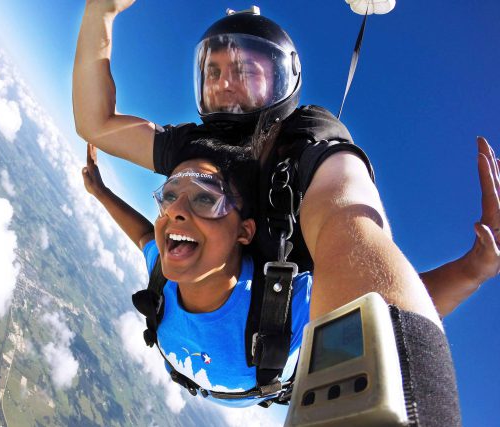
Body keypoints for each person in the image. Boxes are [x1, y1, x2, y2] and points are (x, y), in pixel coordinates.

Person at [72, 2, 499, 320]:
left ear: (283, 78)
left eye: (244, 70)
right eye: (214, 71)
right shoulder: (193, 149)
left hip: (265, 352)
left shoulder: (303, 149)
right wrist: (101, 12)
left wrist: (471, 272)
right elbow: (96, 125)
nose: (223, 84)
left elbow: (356, 246)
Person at [82, 141, 313, 407]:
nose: (174, 211)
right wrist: (99, 191)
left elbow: (366, 299)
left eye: (206, 198)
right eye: (169, 196)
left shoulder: (290, 305)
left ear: (244, 231)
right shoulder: (163, 274)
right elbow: (145, 235)